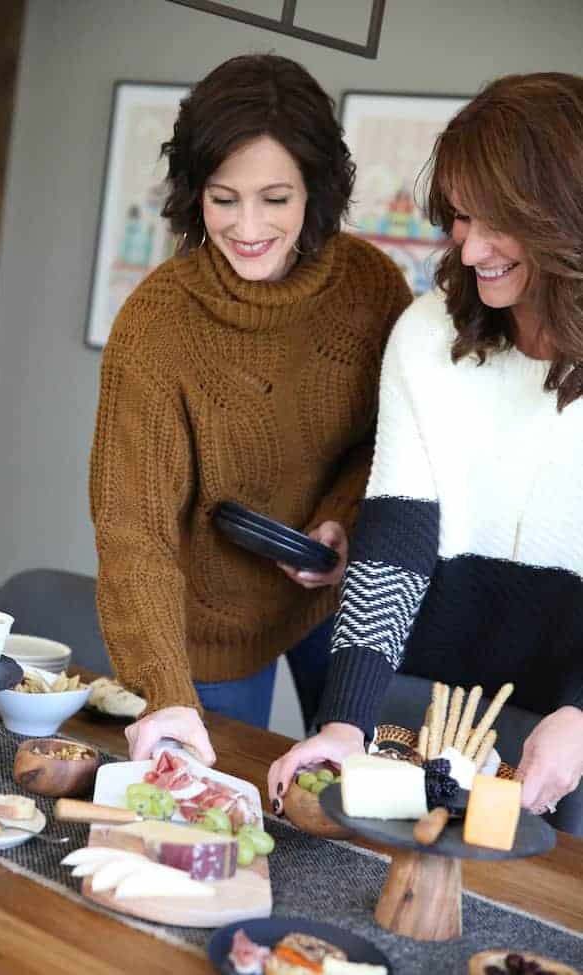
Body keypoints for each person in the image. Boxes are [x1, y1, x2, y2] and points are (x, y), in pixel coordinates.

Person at [269, 72, 583, 831]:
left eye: (495, 221)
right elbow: (396, 541)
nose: (470, 247)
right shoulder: (428, 334)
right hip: (423, 705)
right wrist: (344, 721)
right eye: (460, 216)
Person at [89, 54, 412, 765]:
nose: (248, 226)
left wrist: (342, 515)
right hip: (207, 625)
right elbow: (133, 527)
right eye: (223, 198)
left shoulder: (373, 290)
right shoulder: (157, 324)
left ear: (316, 192)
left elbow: (398, 441)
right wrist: (166, 691)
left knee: (360, 801)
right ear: (194, 194)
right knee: (219, 801)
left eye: (276, 198)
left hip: (337, 599)